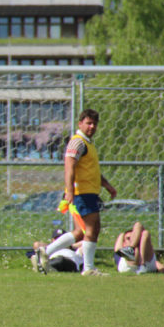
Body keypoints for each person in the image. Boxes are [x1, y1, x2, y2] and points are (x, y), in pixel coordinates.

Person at [43, 109, 117, 277]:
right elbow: (69, 166)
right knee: (93, 228)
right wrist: (69, 191)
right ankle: (88, 268)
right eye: (88, 123)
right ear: (80, 123)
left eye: (94, 124)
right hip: (82, 193)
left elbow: (91, 171)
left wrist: (107, 186)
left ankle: (44, 252)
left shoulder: (88, 144)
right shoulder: (78, 142)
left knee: (79, 232)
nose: (92, 127)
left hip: (88, 192)